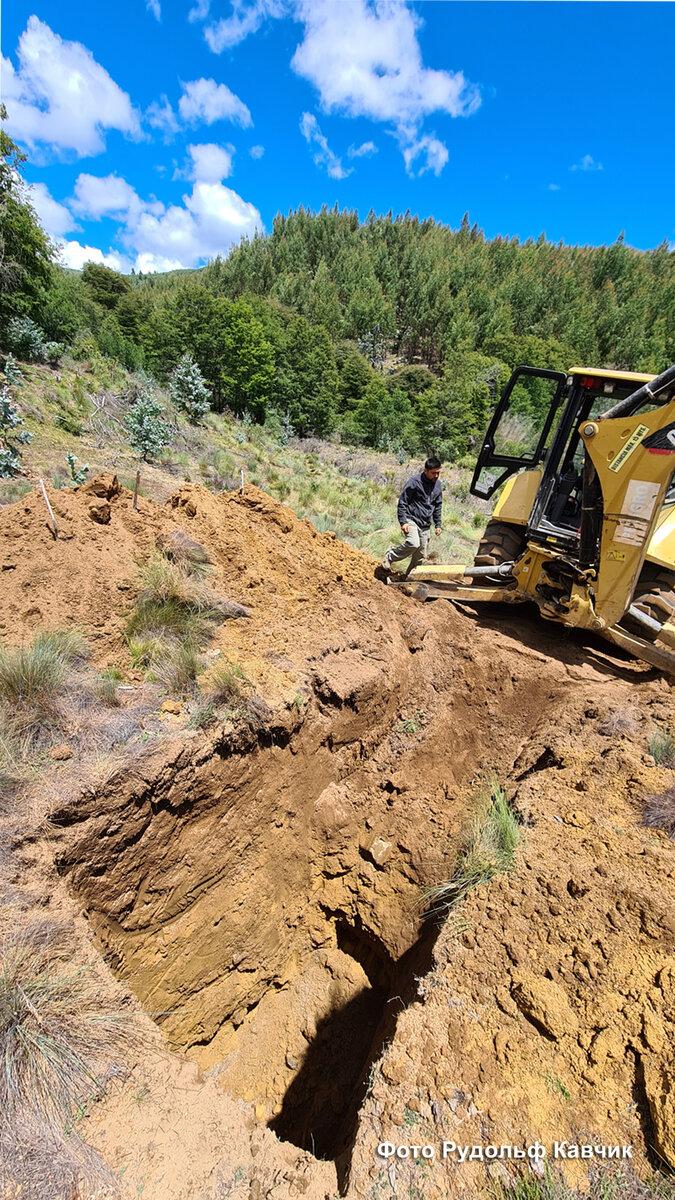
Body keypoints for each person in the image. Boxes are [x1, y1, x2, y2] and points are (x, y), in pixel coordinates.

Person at [382, 457, 442, 576]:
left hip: (425, 524)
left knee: (420, 555)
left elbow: (438, 506)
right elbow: (403, 502)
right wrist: (403, 521)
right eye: (433, 473)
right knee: (413, 543)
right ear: (425, 471)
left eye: (438, 473)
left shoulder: (438, 485)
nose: (436, 476)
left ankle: (410, 578)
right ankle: (390, 556)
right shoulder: (414, 482)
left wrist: (438, 524)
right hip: (412, 519)